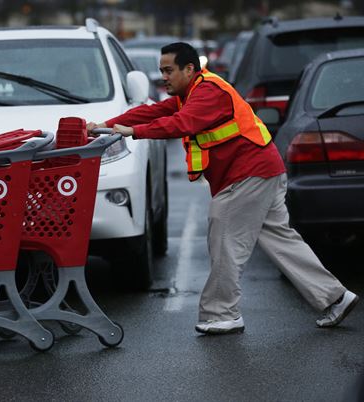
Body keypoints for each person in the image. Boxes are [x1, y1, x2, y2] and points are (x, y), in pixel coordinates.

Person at [87, 42, 359, 335]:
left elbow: (182, 123)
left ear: (189, 69)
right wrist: (105, 125)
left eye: (168, 70)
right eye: (161, 71)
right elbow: (149, 113)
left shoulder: (208, 92)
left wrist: (134, 133)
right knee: (283, 242)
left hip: (249, 175)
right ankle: (336, 297)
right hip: (260, 172)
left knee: (224, 236)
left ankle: (222, 313)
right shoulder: (189, 93)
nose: (162, 77)